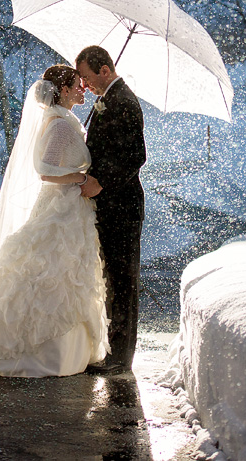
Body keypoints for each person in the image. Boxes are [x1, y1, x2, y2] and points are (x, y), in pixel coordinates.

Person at [0, 64, 109, 377]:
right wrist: (81, 177)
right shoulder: (59, 125)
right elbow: (46, 169)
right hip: (60, 209)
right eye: (76, 84)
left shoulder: (64, 120)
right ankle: (35, 350)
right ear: (62, 91)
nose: (82, 88)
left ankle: (64, 348)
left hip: (70, 209)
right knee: (52, 272)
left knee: (64, 273)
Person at [75, 45, 146, 375]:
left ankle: (119, 359)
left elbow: (135, 157)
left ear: (105, 70)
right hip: (109, 206)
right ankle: (112, 350)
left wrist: (100, 182)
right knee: (111, 279)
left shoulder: (125, 101)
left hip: (123, 207)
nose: (85, 85)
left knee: (122, 281)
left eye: (88, 78)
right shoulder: (108, 100)